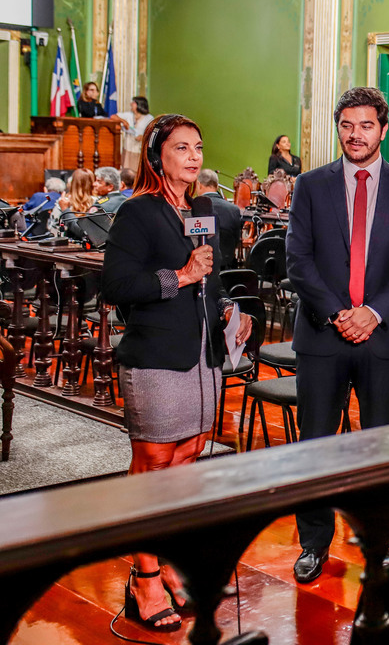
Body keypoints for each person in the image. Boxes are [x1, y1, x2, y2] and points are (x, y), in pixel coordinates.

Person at [101, 114, 252, 633]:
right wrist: (180, 276)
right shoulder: (136, 213)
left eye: (199, 147)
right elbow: (117, 285)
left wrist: (230, 307)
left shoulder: (204, 209)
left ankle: (167, 563)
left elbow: (210, 276)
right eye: (181, 147)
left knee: (188, 458)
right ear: (155, 155)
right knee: (155, 464)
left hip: (202, 356)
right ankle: (142, 576)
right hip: (155, 358)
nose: (193, 156)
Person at [285, 86, 389, 583]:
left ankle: (377, 540)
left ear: (384, 130)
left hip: (383, 337)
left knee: (378, 448)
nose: (355, 134)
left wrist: (372, 313)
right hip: (323, 336)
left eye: (366, 125)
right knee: (317, 446)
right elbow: (298, 261)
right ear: (338, 127)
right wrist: (339, 313)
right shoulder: (309, 185)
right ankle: (313, 544)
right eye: (347, 125)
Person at [61, 166, 126, 244]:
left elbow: (83, 232)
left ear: (110, 187)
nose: (94, 184)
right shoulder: (125, 200)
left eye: (99, 182)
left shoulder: (101, 205)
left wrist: (65, 209)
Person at [196, 169, 243, 271]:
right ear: (217, 186)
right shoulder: (234, 210)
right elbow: (237, 239)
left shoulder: (195, 208)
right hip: (227, 265)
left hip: (202, 267)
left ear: (199, 185)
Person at [117, 96, 154, 172]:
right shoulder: (129, 115)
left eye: (133, 103)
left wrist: (143, 136)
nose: (131, 104)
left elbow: (152, 133)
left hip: (139, 149)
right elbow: (113, 116)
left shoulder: (149, 118)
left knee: (137, 170)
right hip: (128, 147)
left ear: (139, 104)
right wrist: (123, 121)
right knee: (126, 169)